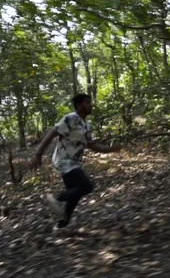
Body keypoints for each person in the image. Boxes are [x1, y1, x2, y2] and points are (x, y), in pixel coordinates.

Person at [30, 93, 121, 230]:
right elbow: (51, 134)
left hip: (74, 163)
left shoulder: (86, 126)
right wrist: (38, 155)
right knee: (86, 186)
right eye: (87, 102)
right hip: (63, 161)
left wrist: (110, 150)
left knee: (74, 195)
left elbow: (92, 145)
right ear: (79, 105)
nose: (90, 105)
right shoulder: (70, 118)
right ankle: (55, 198)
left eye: (90, 102)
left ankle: (61, 226)